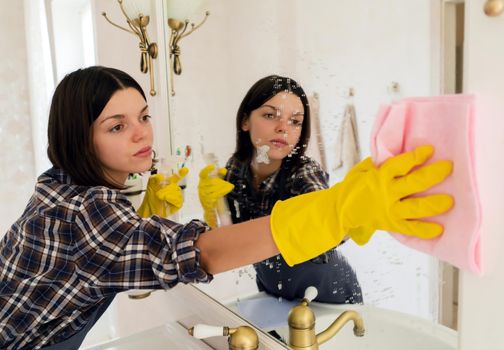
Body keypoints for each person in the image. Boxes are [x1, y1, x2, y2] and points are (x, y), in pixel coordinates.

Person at [0, 66, 453, 349]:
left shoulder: (59, 187)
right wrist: (184, 215)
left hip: (324, 290)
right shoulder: (93, 210)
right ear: (246, 120)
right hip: (273, 287)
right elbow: (210, 248)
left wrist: (332, 210)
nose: (142, 134)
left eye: (143, 116)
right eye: (118, 126)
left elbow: (210, 246)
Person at [200, 75, 364, 303]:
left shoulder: (304, 172)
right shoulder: (236, 168)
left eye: (295, 121)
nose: (283, 129)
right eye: (270, 115)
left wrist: (346, 215)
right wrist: (214, 209)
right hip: (275, 290)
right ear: (245, 121)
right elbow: (233, 237)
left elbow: (327, 227)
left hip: (329, 296)